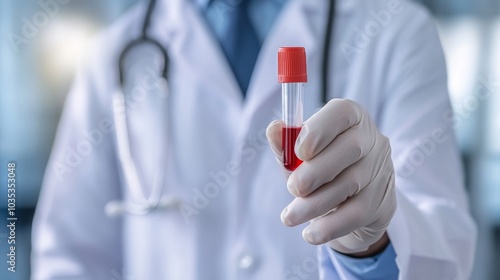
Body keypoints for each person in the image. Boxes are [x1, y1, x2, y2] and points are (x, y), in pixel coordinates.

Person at [31, 0, 477, 279]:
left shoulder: (394, 31)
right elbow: (68, 257)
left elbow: (447, 253)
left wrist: (374, 244)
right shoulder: (116, 55)